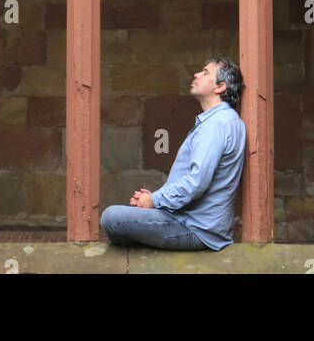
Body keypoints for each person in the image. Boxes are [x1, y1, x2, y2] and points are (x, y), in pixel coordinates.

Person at [99, 56, 246, 251]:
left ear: (220, 87)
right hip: (195, 223)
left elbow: (197, 181)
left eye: (205, 72)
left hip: (195, 228)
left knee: (111, 218)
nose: (196, 74)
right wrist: (156, 201)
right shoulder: (224, 121)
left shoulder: (217, 124)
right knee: (123, 217)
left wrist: (154, 201)